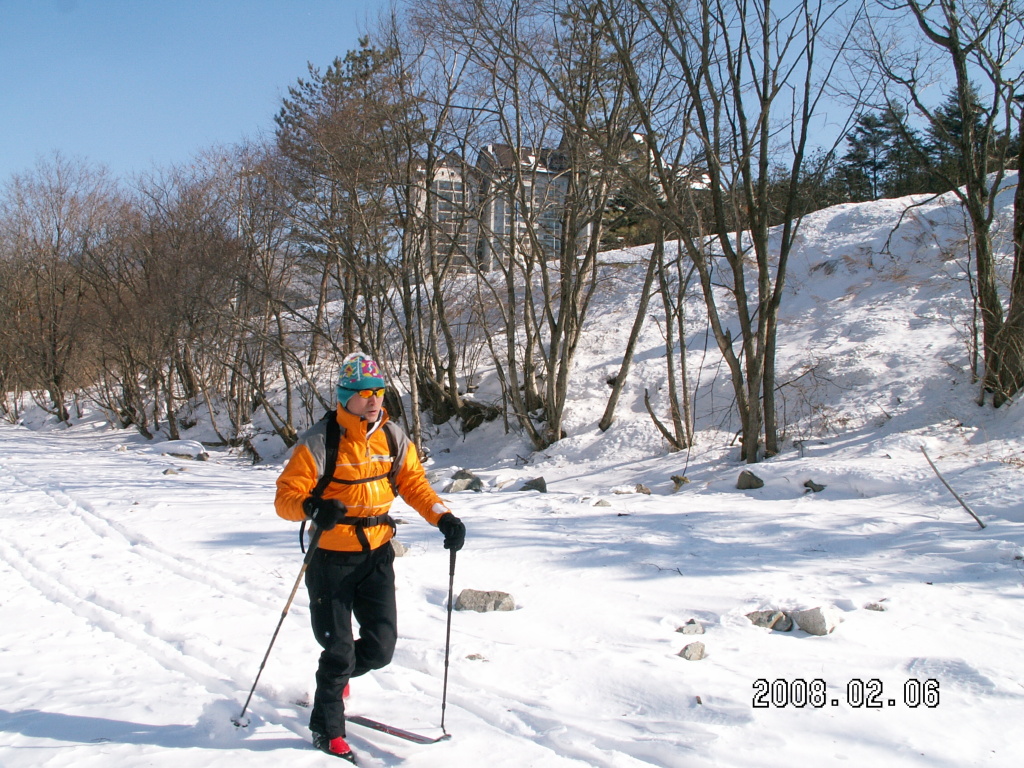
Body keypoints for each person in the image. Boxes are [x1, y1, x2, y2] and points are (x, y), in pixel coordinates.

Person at [275, 351, 466, 763]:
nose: (373, 400)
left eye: (378, 392)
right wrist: (312, 508)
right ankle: (327, 728)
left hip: (377, 554)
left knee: (380, 648)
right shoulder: (320, 441)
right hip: (331, 559)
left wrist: (443, 517)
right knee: (338, 648)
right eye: (363, 394)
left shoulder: (393, 436)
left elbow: (413, 482)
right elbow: (285, 497)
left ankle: (339, 677)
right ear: (345, 398)